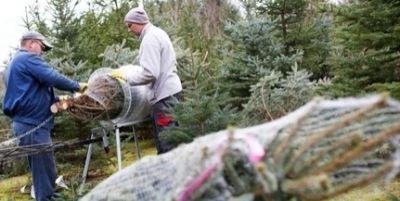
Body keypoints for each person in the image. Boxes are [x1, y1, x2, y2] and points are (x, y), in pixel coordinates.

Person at [2, 31, 87, 201]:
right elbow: (51, 77)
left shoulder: (15, 62)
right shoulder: (26, 58)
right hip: (32, 125)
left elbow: (30, 93)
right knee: (42, 172)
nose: (42, 52)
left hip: (28, 123)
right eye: (42, 47)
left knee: (45, 168)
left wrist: (56, 100)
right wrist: (77, 86)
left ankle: (50, 196)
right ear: (32, 43)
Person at [111, 7, 182, 154]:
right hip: (171, 92)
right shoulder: (158, 33)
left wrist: (126, 78)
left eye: (129, 26)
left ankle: (168, 174)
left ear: (137, 22)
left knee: (167, 144)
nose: (129, 30)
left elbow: (150, 73)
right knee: (173, 138)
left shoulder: (149, 39)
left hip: (164, 98)